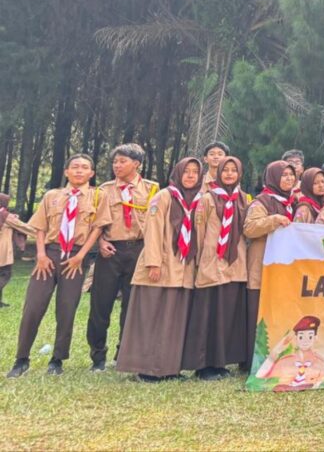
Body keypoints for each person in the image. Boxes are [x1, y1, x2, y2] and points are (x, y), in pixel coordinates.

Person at [8, 154, 111, 378]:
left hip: (75, 258)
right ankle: (21, 359)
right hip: (49, 255)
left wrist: (81, 256)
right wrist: (41, 255)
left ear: (91, 173)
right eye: (75, 167)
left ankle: (57, 359)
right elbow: (40, 227)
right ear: (66, 171)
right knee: (33, 306)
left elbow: (98, 228)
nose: (79, 171)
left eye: (84, 167)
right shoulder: (52, 196)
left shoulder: (97, 197)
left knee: (66, 308)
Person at [115, 157, 203, 381]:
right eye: (186, 171)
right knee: (152, 317)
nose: (190, 176)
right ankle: (147, 369)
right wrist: (153, 262)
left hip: (183, 270)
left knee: (174, 320)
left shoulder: (199, 200)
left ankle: (169, 368)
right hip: (162, 266)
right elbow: (152, 230)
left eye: (195, 172)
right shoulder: (164, 196)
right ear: (178, 173)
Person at [88, 143, 160, 371]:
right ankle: (98, 356)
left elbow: (157, 223)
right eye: (115, 162)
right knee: (101, 305)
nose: (117, 166)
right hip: (110, 251)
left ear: (136, 164)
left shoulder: (152, 189)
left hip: (138, 251)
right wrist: (101, 242)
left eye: (122, 161)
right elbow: (93, 222)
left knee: (132, 305)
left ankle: (124, 354)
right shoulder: (104, 190)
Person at [183, 156, 250, 380]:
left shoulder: (244, 199)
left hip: (236, 264)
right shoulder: (208, 198)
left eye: (234, 170)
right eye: (225, 170)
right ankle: (204, 365)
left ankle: (221, 363)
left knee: (228, 315)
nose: (229, 174)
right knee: (208, 315)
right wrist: (202, 259)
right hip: (212, 262)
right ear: (218, 173)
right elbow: (199, 231)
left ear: (239, 174)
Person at [243, 161, 297, 370]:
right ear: (273, 178)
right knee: (259, 313)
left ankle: (280, 357)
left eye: (291, 175)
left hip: (285, 268)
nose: (288, 179)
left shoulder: (293, 202)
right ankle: (253, 360)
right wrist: (274, 220)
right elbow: (249, 228)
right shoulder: (262, 202)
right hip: (262, 265)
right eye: (283, 175)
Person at [255, 315, 324, 392]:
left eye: (310, 337)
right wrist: (275, 352)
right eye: (301, 337)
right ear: (296, 338)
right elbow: (260, 376)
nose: (305, 341)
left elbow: (321, 381)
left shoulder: (320, 362)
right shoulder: (285, 361)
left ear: (315, 338)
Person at [0, 192, 33, 308]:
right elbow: (23, 227)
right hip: (2, 252)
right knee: (5, 274)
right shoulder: (5, 216)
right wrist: (41, 233)